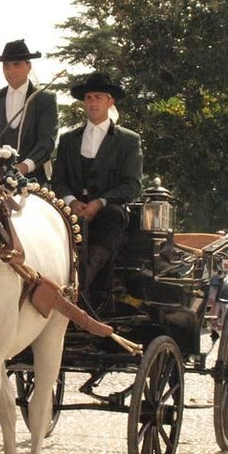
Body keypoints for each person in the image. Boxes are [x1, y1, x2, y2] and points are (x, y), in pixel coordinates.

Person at [50, 72, 142, 311]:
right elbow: (58, 180)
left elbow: (132, 185)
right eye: (88, 98)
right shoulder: (69, 139)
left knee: (112, 217)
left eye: (98, 97)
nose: (92, 103)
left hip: (107, 214)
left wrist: (100, 202)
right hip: (71, 212)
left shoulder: (128, 141)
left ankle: (78, 287)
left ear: (110, 102)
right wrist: (70, 201)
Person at [0, 39, 58, 183]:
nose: (10, 70)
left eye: (16, 64)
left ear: (28, 66)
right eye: (6, 65)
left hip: (33, 181)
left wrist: (24, 167)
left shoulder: (45, 99)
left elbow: (47, 141)